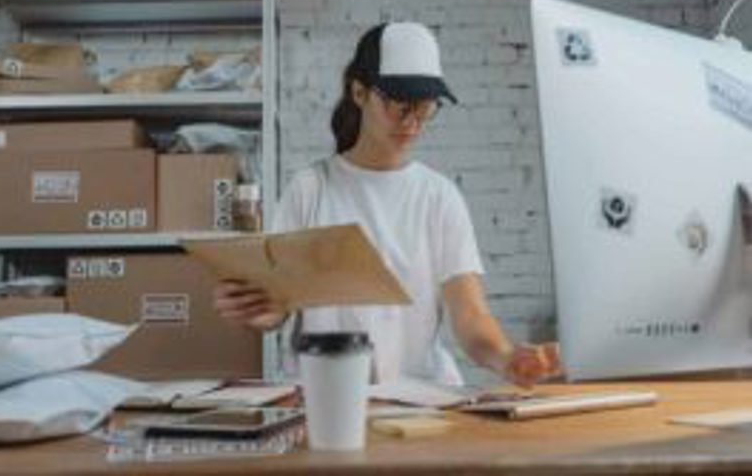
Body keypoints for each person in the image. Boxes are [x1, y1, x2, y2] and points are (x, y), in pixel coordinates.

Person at [214, 22, 560, 388]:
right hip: (323, 395)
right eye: (399, 106)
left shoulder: (438, 197)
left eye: (425, 108)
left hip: (420, 399)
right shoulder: (310, 189)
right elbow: (278, 307)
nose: (412, 123)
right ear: (359, 93)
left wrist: (506, 358)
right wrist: (252, 306)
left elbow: (471, 315)